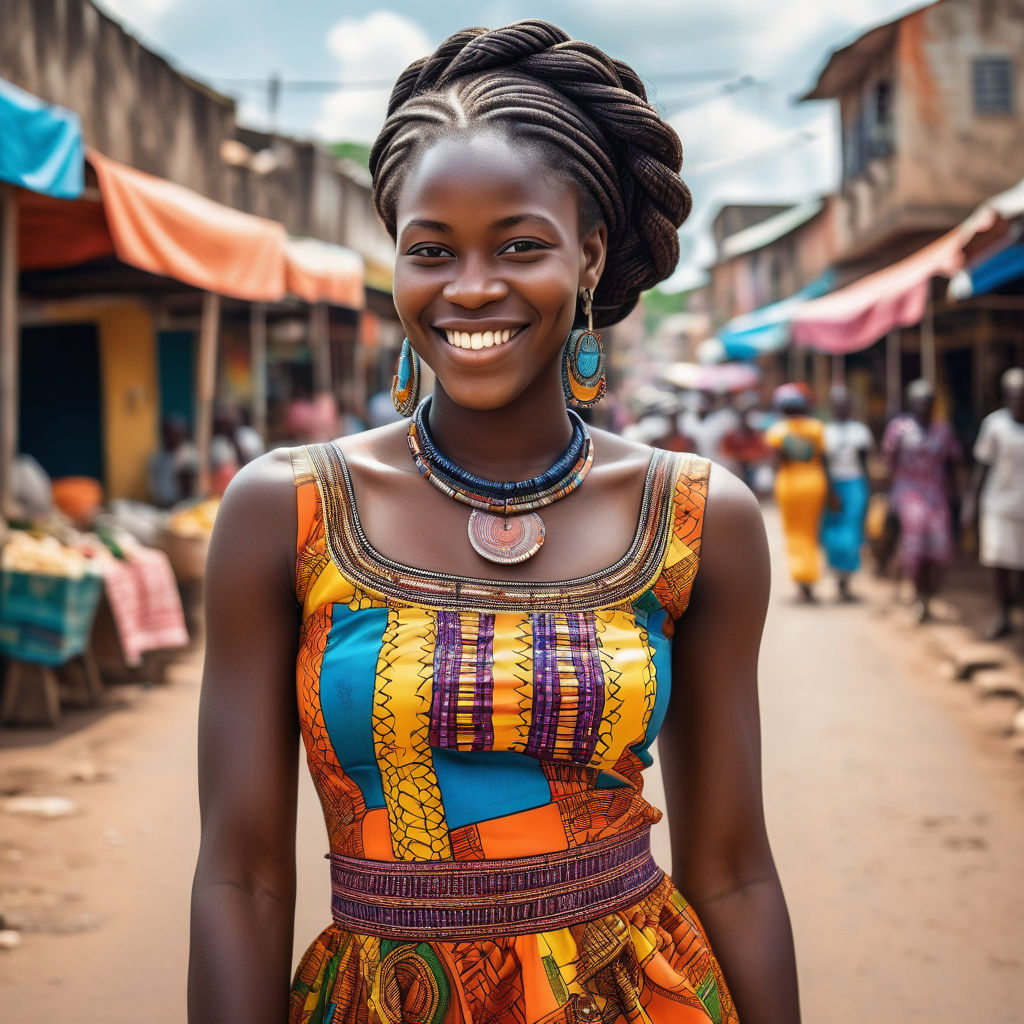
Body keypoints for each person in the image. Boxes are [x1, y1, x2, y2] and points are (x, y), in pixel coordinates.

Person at [189, 22, 799, 1024]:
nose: (470, 288)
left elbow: (731, 869)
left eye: (519, 245)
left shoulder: (694, 517)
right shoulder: (286, 510)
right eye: (431, 250)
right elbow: (240, 877)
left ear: (590, 256)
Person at [881, 379, 960, 624]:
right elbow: (889, 462)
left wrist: (955, 496)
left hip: (936, 493)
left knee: (938, 546)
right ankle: (918, 595)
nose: (922, 406)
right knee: (915, 544)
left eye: (927, 402)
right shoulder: (899, 428)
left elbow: (951, 464)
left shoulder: (943, 430)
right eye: (918, 401)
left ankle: (928, 593)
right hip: (909, 492)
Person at [962, 367, 1024, 639]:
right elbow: (981, 467)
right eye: (1013, 396)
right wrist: (970, 501)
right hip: (997, 504)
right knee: (997, 560)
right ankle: (1003, 615)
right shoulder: (995, 425)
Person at [765, 383, 829, 602]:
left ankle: (802, 580)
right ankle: (811, 578)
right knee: (811, 532)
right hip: (814, 482)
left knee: (794, 532)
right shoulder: (816, 427)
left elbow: (776, 461)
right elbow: (824, 458)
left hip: (790, 484)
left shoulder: (778, 431)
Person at [821, 385, 873, 601]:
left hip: (855, 485)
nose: (840, 407)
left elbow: (865, 463)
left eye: (844, 403)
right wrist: (829, 491)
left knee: (852, 532)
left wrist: (869, 491)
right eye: (836, 403)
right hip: (833, 486)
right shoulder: (825, 432)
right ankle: (838, 576)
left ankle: (847, 579)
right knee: (833, 533)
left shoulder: (860, 432)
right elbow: (822, 464)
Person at [147, 415, 198, 508]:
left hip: (182, 507)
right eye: (169, 433)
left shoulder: (187, 455)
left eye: (175, 433)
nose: (171, 437)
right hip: (161, 506)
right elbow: (153, 484)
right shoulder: (157, 457)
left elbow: (188, 487)